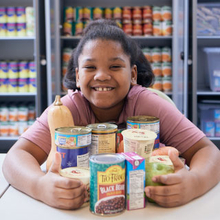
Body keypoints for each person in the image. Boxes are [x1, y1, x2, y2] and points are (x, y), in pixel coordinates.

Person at [2, 19, 220, 209]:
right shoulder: (68, 108)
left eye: (115, 67)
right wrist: (40, 186)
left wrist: (195, 183)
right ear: (78, 77)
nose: (102, 76)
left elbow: (207, 151)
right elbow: (15, 157)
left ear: (133, 74)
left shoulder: (148, 104)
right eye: (90, 68)